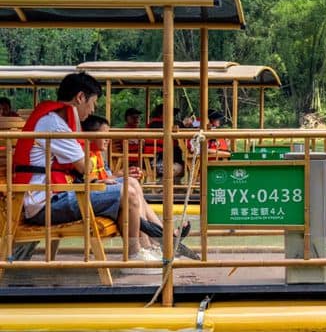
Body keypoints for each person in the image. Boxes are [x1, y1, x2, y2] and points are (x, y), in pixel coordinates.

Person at [12, 72, 159, 261]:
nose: (92, 109)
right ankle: (136, 254)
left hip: (56, 193)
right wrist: (78, 127)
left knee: (131, 183)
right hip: (45, 204)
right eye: (93, 103)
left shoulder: (55, 120)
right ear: (80, 97)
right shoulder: (54, 124)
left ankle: (150, 246)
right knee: (128, 193)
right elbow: (84, 167)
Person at [82, 114, 195, 258]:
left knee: (133, 186)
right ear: (90, 136)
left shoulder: (97, 154)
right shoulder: (83, 157)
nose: (108, 139)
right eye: (104, 135)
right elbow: (92, 182)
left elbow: (105, 178)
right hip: (94, 199)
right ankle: (155, 241)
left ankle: (160, 238)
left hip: (104, 195)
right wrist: (119, 176)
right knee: (132, 187)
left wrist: (120, 174)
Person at [143, 103, 185, 178]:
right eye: (171, 113)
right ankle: (164, 184)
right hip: (158, 160)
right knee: (178, 168)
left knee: (180, 166)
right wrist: (184, 124)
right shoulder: (157, 124)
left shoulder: (155, 124)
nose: (172, 116)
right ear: (162, 114)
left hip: (160, 158)